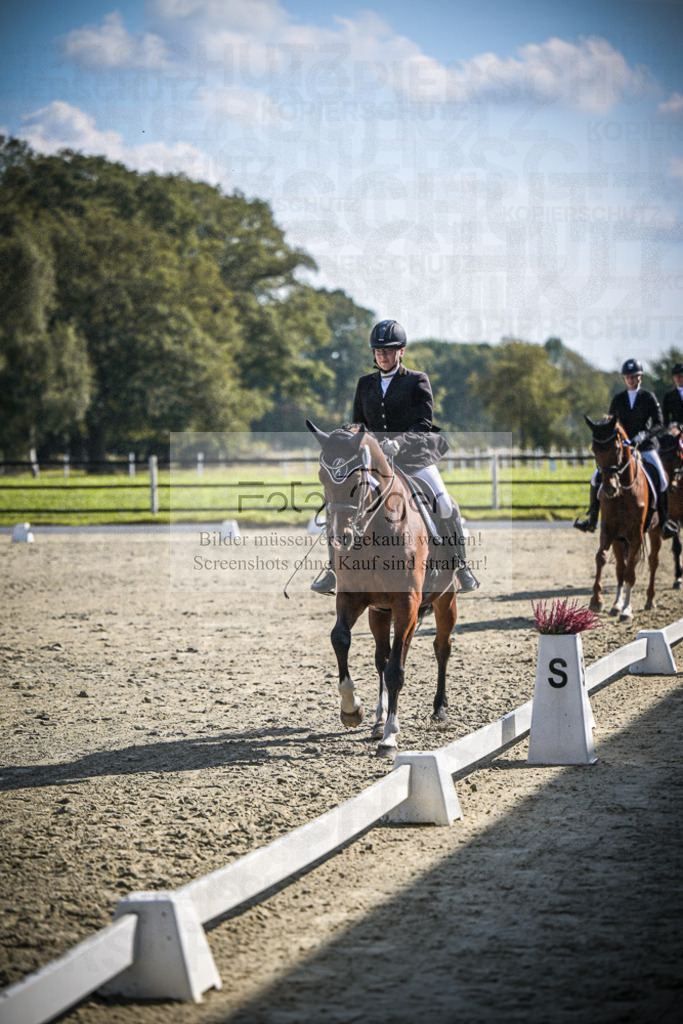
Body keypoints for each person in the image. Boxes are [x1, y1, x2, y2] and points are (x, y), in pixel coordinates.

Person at [312, 319, 479, 595]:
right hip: (377, 462)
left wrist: (399, 444)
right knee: (339, 504)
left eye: (388, 350)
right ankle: (332, 570)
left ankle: (461, 565)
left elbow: (424, 424)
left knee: (445, 504)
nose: (382, 355)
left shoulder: (417, 380)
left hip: (415, 458)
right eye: (378, 351)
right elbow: (358, 424)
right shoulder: (364, 384)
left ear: (401, 351)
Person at [574, 358, 678, 538]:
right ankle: (591, 518)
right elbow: (611, 422)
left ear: (640, 378)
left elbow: (659, 422)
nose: (631, 379)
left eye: (634, 376)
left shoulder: (648, 397)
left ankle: (665, 522)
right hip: (623, 449)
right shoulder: (618, 399)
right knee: (595, 477)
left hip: (645, 446)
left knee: (661, 478)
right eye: (628, 377)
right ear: (624, 378)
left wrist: (644, 435)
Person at [662, 362, 683, 428]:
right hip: (676, 431)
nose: (678, 379)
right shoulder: (669, 396)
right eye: (675, 376)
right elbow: (665, 416)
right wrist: (670, 425)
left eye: (680, 376)